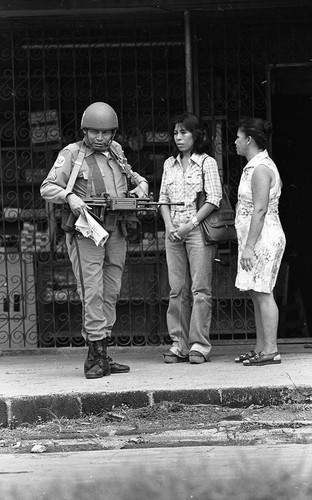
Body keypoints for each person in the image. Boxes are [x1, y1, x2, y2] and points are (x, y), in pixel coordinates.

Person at [41, 102, 148, 378]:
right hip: (87, 231)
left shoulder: (116, 152)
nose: (101, 138)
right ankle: (94, 356)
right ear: (85, 130)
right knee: (93, 291)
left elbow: (135, 180)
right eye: (95, 132)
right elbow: (47, 186)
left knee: (111, 290)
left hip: (116, 230)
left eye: (107, 133)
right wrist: (69, 196)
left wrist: (141, 186)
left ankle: (104, 350)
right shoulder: (72, 154)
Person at [159, 112, 222, 364]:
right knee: (177, 290)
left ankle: (199, 344)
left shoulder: (206, 162)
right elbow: (162, 199)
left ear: (196, 135)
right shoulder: (168, 164)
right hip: (173, 232)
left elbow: (214, 198)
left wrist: (189, 224)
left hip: (195, 231)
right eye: (175, 133)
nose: (178, 137)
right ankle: (179, 343)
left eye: (183, 132)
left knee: (200, 289)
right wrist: (169, 225)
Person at [234, 117, 286, 366]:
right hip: (257, 238)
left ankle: (271, 350)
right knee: (256, 292)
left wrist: (249, 246)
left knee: (264, 291)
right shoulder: (256, 166)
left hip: (263, 239)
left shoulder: (260, 168)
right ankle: (260, 347)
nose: (235, 142)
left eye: (238, 137)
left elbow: (260, 210)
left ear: (249, 140)